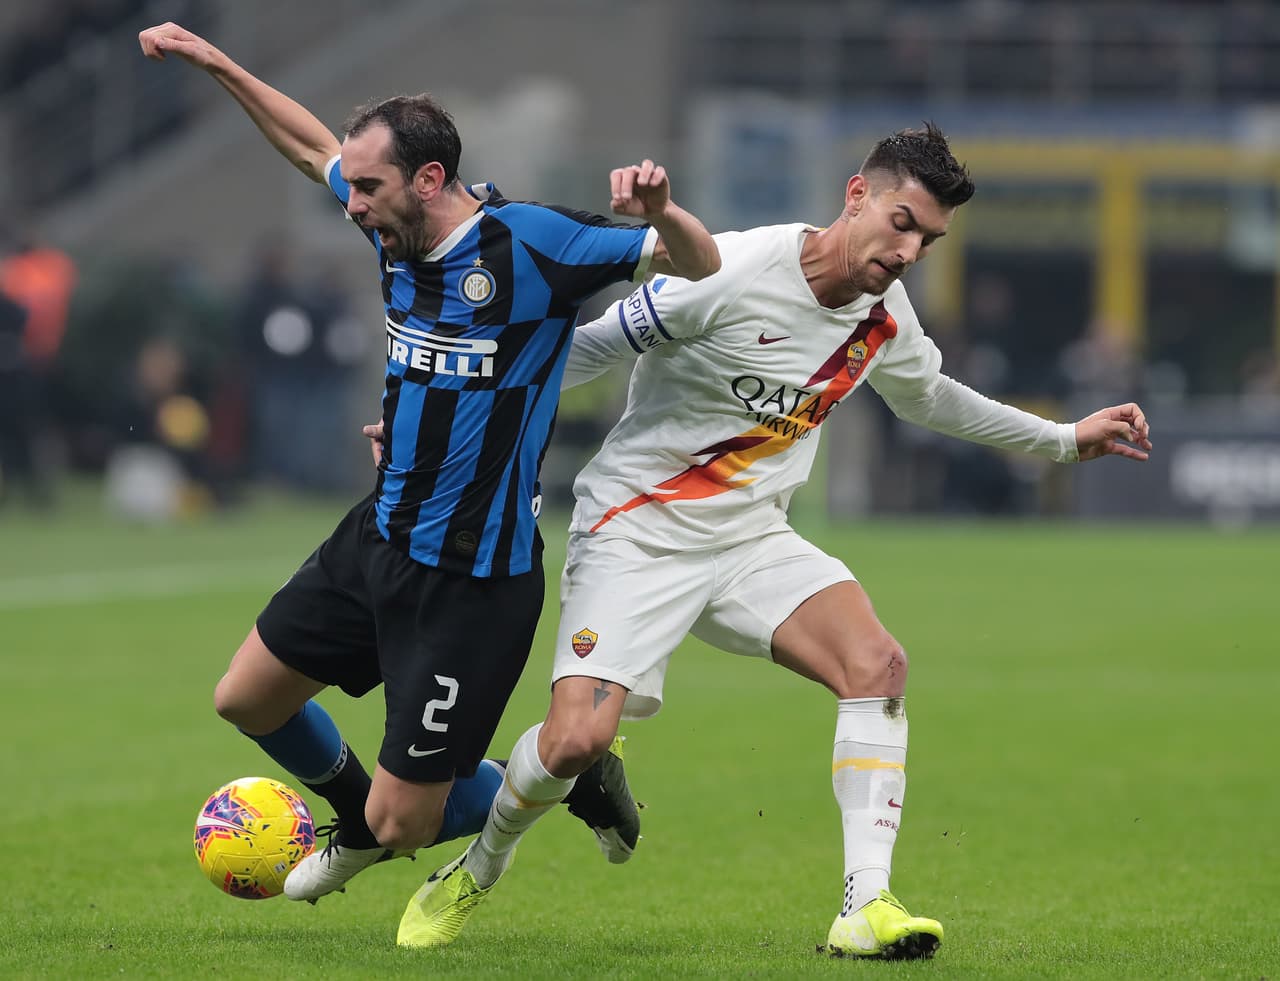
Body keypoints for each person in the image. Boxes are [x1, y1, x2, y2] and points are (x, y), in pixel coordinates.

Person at [400, 123, 1152, 956]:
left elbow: (930, 396)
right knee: (575, 741)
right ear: (856, 196)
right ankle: (479, 864)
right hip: (635, 530)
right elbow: (588, 349)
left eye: (929, 241)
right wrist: (442, 417)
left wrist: (1063, 439)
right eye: (902, 223)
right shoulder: (727, 271)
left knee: (877, 665)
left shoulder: (883, 316)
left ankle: (865, 905)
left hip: (751, 539)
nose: (909, 251)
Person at [136, 20, 721, 928]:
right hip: (380, 534)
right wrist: (215, 62)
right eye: (354, 186)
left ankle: (549, 784)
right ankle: (363, 821)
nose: (351, 202)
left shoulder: (535, 244)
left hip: (471, 581)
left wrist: (662, 213)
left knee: (406, 820)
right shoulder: (391, 230)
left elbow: (700, 261)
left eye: (368, 187)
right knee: (245, 697)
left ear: (429, 179)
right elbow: (308, 146)